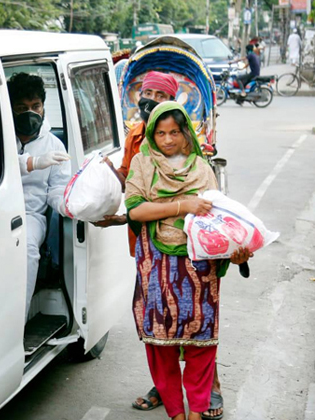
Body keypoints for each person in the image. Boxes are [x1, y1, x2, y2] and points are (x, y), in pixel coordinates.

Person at [125, 101, 252, 420]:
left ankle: (195, 413)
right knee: (160, 344)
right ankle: (175, 414)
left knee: (201, 344)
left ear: (186, 134)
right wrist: (183, 206)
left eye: (176, 132)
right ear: (152, 134)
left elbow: (218, 219)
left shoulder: (201, 168)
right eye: (161, 133)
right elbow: (136, 210)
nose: (168, 140)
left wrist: (237, 254)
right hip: (157, 266)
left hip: (199, 267)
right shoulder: (143, 163)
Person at [7, 72, 71, 318]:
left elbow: (57, 187)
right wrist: (33, 162)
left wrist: (66, 204)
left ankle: (18, 323)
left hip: (30, 215)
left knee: (27, 248)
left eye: (36, 106)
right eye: (22, 108)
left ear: (44, 107)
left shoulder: (54, 144)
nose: (30, 113)